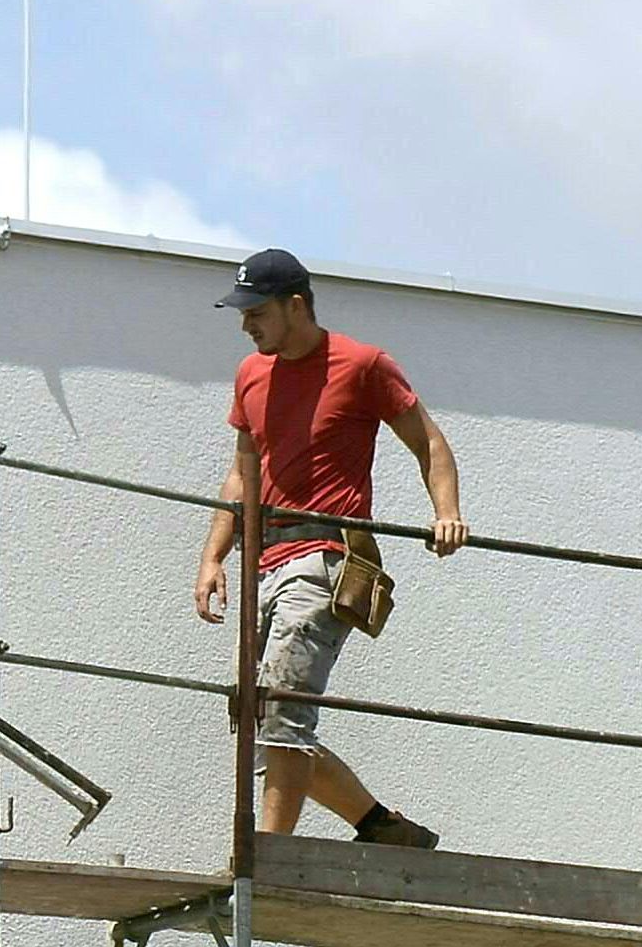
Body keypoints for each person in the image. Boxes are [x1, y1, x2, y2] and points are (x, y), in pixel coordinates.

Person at [193, 248, 468, 844]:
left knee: (282, 716)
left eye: (256, 311)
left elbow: (429, 443)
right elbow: (243, 474)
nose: (246, 324)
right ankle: (382, 827)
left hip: (325, 557)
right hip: (263, 564)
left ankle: (267, 854)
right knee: (261, 717)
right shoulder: (251, 375)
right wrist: (214, 555)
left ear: (296, 305)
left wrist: (446, 514)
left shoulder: (363, 364)